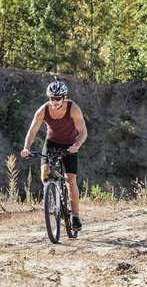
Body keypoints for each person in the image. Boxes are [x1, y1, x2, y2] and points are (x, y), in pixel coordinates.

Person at [21, 80, 87, 231]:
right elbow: (32, 132)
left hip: (70, 144)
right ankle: (51, 199)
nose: (55, 101)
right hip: (51, 142)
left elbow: (83, 132)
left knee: (70, 180)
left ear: (64, 97)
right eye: (52, 98)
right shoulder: (43, 110)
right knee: (45, 173)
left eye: (58, 98)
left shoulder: (73, 109)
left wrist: (76, 146)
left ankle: (75, 216)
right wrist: (26, 148)